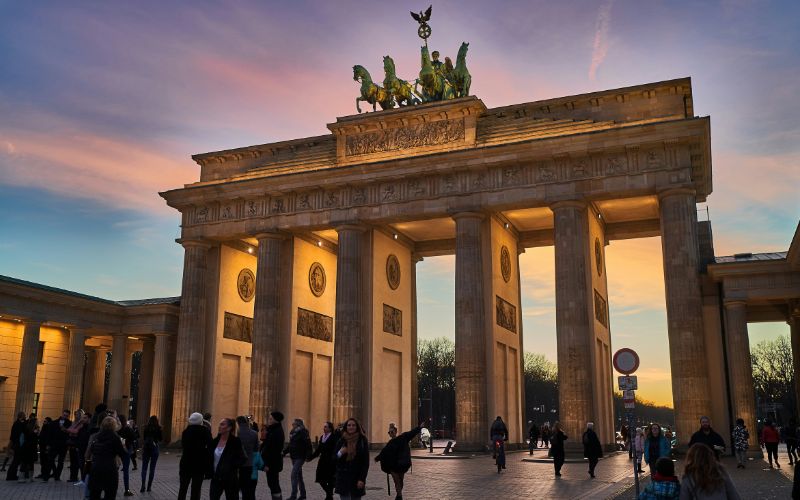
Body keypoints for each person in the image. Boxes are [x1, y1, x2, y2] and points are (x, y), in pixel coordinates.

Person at [375, 421, 422, 500]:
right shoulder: (390, 443)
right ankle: (400, 496)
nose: (391, 433)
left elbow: (411, 433)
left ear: (396, 431)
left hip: (401, 465)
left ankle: (398, 495)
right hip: (393, 466)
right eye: (389, 432)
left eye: (392, 431)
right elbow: (384, 452)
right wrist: (377, 458)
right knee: (396, 481)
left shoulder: (403, 437)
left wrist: (419, 428)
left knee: (400, 481)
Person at [86, 416, 128, 500]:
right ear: (114, 426)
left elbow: (89, 452)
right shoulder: (115, 437)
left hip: (96, 468)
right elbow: (123, 454)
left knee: (94, 494)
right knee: (110, 494)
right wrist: (123, 445)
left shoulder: (95, 436)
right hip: (110, 469)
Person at [208, 418, 245, 500]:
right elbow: (209, 458)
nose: (219, 426)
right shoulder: (214, 442)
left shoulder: (235, 442)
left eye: (222, 424)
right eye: (220, 424)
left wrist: (231, 466)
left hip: (230, 479)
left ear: (229, 428)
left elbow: (242, 458)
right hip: (216, 477)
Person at [178, 412, 213, 500]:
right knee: (196, 489)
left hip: (186, 463)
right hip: (199, 464)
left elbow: (184, 446)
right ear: (201, 420)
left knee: (183, 488)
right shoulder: (205, 431)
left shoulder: (185, 432)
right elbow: (210, 446)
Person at [335, 417, 369, 499]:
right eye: (349, 425)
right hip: (343, 477)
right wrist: (340, 453)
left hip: (356, 477)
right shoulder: (341, 440)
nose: (351, 427)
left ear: (357, 427)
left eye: (353, 425)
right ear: (346, 427)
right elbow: (333, 458)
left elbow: (365, 462)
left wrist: (362, 479)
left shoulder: (362, 440)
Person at [309, 421, 340, 500]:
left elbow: (336, 449)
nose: (324, 428)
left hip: (331, 462)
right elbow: (319, 450)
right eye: (324, 427)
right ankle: (329, 494)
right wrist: (310, 457)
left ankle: (329, 497)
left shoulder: (333, 437)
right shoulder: (322, 437)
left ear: (330, 428)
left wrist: (335, 458)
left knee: (330, 480)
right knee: (320, 479)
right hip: (322, 461)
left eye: (326, 427)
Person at [283, 418, 312, 500]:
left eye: (294, 424)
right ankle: (303, 495)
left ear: (298, 425)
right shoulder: (293, 432)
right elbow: (290, 445)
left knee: (293, 474)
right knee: (299, 476)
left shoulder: (303, 432)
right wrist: (284, 452)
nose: (292, 425)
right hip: (294, 456)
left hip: (300, 457)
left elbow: (308, 444)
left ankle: (293, 495)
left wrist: (308, 456)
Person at [260, 411, 286, 500]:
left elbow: (274, 451)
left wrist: (267, 464)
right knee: (272, 483)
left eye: (271, 419)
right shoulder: (273, 429)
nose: (269, 420)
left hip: (273, 463)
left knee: (273, 483)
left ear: (276, 420)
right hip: (271, 462)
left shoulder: (277, 432)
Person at [237, 415, 260, 500]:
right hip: (250, 463)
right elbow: (256, 449)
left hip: (238, 464)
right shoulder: (254, 433)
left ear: (238, 423)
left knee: (239, 486)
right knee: (249, 488)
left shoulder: (237, 434)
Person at [140, 415, 163, 492]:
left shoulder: (146, 428)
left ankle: (143, 485)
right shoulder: (158, 428)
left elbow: (144, 438)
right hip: (154, 448)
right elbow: (160, 439)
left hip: (146, 448)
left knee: (144, 468)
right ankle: (149, 487)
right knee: (152, 469)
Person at [67, 411, 90, 483]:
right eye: (75, 415)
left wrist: (71, 430)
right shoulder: (76, 423)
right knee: (74, 462)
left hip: (82, 447)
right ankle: (73, 477)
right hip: (75, 445)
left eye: (77, 415)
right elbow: (70, 430)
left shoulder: (83, 425)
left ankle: (83, 479)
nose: (76, 416)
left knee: (80, 463)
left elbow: (74, 431)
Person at [117, 414, 136, 496]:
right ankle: (126, 489)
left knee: (115, 470)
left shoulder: (116, 429)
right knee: (126, 471)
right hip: (126, 451)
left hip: (117, 451)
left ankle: (111, 487)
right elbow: (134, 437)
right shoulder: (128, 428)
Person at [5, 411, 27, 481]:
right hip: (18, 445)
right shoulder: (19, 424)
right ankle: (11, 476)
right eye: (24, 415)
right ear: (21, 416)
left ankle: (12, 475)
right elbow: (18, 434)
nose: (25, 416)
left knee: (16, 461)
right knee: (16, 461)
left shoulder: (16, 423)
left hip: (16, 444)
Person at [18, 416, 38, 483]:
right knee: (30, 463)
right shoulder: (34, 431)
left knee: (25, 462)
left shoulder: (26, 428)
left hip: (26, 447)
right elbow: (35, 440)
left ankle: (22, 478)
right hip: (31, 448)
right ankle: (30, 478)